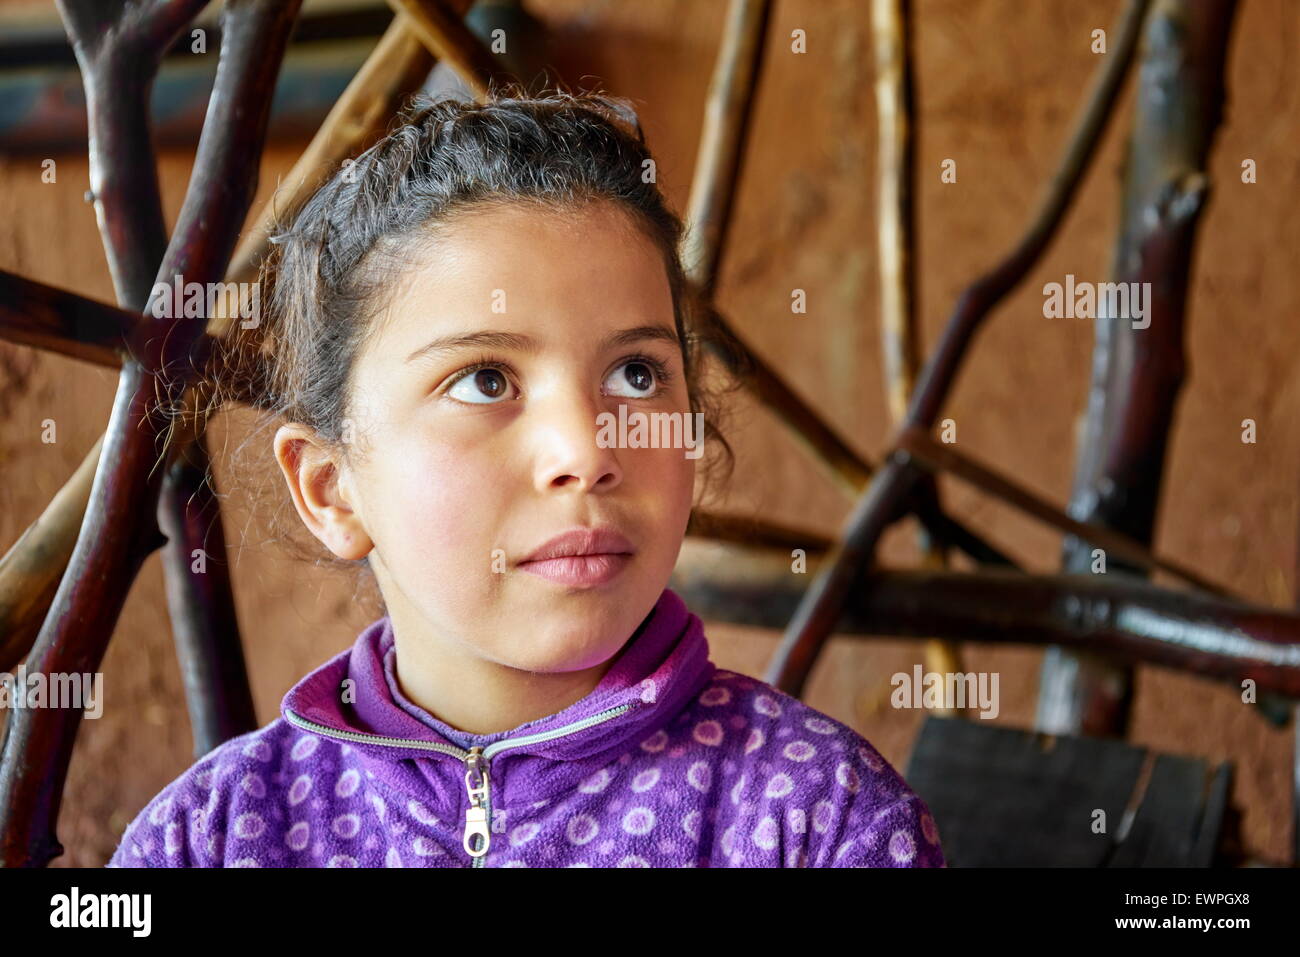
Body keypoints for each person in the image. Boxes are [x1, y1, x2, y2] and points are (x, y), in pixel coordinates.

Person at [108, 88, 944, 868]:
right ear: (332, 487)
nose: (585, 449)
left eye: (638, 374)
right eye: (485, 380)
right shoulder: (208, 839)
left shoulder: (822, 820)